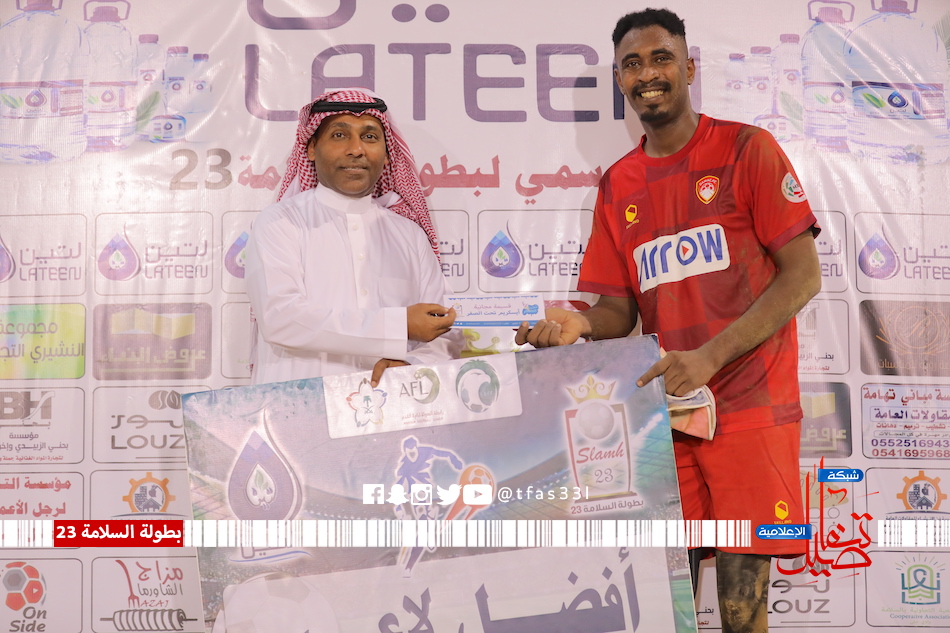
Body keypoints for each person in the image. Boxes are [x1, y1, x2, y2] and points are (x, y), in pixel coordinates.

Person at [516, 8, 821, 633]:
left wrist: (709, 357)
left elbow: (802, 276)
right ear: (619, 81)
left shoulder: (747, 149)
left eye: (661, 58)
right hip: (666, 419)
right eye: (631, 64)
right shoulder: (617, 184)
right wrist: (579, 326)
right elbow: (617, 310)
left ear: (689, 67)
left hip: (750, 408)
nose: (647, 74)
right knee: (668, 609)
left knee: (741, 612)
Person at [246, 88, 458, 386]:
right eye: (339, 135)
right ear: (311, 149)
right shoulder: (281, 222)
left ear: (387, 154)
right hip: (300, 404)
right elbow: (281, 319)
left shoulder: (410, 236)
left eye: (369, 136)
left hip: (390, 406)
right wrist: (398, 326)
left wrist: (413, 364)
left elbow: (443, 333)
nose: (356, 149)